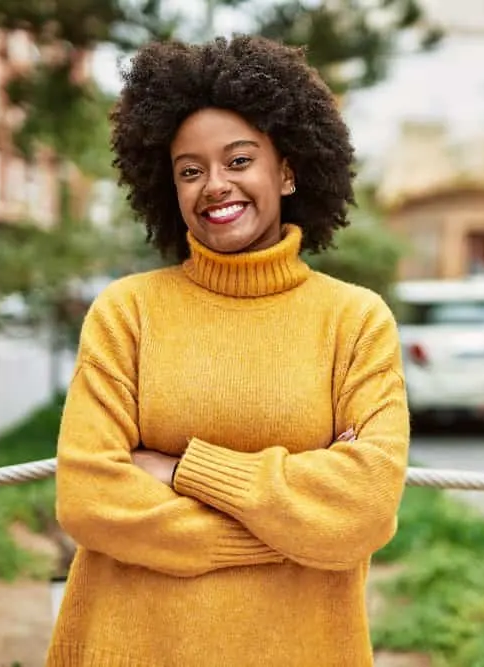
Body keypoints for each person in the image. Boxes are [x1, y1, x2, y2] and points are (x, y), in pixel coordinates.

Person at [46, 35, 411, 667]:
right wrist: (297, 528)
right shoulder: (127, 312)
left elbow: (366, 507)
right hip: (132, 647)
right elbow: (88, 497)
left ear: (287, 171)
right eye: (190, 170)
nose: (214, 185)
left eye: (239, 160)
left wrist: (184, 469)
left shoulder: (354, 321)